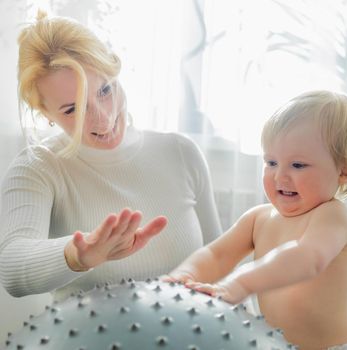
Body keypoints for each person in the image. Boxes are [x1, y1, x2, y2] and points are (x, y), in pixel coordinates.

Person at [0, 11, 222, 301]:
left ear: (115, 69)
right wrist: (77, 255)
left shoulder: (181, 153)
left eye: (105, 90)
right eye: (72, 109)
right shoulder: (38, 167)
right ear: (45, 114)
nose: (103, 119)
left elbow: (221, 259)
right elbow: (12, 270)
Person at [166, 90, 347, 350]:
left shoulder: (331, 216)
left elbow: (308, 258)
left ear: (343, 171)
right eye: (271, 162)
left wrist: (241, 283)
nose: (279, 176)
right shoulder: (258, 219)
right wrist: (183, 277)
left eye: (298, 165)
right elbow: (217, 255)